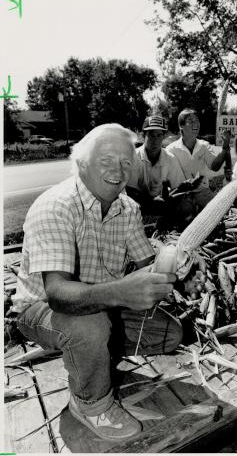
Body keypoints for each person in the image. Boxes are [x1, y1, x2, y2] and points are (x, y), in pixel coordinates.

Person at [11, 124, 182, 441]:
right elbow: (59, 295)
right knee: (89, 328)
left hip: (102, 303)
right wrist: (122, 291)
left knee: (168, 334)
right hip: (40, 310)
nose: (118, 171)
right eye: (106, 160)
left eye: (127, 163)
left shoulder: (127, 207)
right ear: (81, 162)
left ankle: (93, 355)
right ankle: (90, 404)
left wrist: (174, 264)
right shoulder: (56, 207)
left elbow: (147, 263)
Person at [166, 108, 232, 211]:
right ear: (181, 126)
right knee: (186, 216)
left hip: (202, 191)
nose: (196, 124)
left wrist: (225, 147)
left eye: (197, 121)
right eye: (191, 121)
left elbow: (215, 167)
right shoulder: (171, 149)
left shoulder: (203, 146)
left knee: (218, 211)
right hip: (180, 194)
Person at [127, 115, 185, 215]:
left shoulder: (170, 158)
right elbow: (129, 190)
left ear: (164, 136)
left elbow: (179, 186)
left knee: (185, 206)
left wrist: (169, 197)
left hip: (162, 204)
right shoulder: (133, 157)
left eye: (159, 135)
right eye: (151, 135)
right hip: (137, 204)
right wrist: (151, 202)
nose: (155, 141)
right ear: (143, 135)